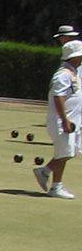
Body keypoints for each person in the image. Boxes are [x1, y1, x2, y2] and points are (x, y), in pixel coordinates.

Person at [34, 38, 81, 200]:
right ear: (74, 57)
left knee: (71, 152)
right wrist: (65, 119)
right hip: (63, 121)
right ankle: (56, 187)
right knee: (64, 153)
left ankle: (44, 171)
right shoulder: (62, 75)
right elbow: (58, 97)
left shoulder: (75, 72)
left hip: (74, 121)